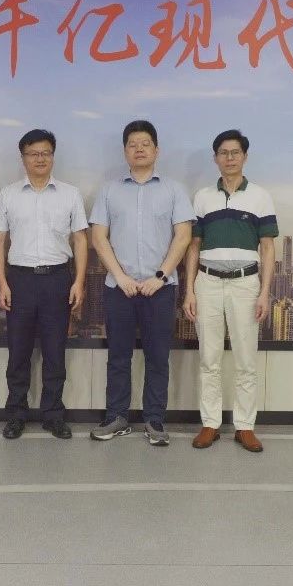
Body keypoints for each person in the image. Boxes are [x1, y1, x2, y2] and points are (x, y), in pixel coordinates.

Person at [88, 120, 193, 446]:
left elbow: (183, 236)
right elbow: (98, 237)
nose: (139, 149)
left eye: (145, 144)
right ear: (125, 151)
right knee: (118, 356)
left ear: (156, 150)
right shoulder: (109, 190)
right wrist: (120, 277)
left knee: (158, 357)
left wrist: (160, 277)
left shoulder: (174, 190)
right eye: (132, 144)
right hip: (118, 288)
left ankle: (154, 420)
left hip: (160, 289)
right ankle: (116, 417)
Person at [0, 129, 87, 440]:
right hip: (20, 281)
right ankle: (16, 415)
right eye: (33, 153)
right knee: (18, 353)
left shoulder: (70, 194)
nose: (40, 159)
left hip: (58, 279)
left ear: (53, 156)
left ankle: (53, 415)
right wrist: (2, 283)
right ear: (23, 158)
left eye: (45, 153)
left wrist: (79, 281)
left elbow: (80, 239)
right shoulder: (9, 194)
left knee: (55, 353)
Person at [183, 130, 277, 453]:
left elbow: (268, 248)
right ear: (215, 158)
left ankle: (245, 426)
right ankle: (210, 423)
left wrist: (264, 293)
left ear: (245, 157)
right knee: (208, 358)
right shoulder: (202, 197)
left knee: (245, 359)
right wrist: (189, 290)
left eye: (235, 152)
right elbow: (193, 246)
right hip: (207, 282)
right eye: (223, 153)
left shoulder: (260, 197)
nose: (229, 158)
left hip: (245, 284)